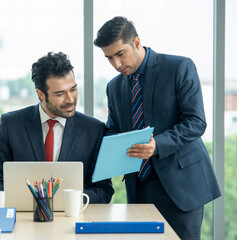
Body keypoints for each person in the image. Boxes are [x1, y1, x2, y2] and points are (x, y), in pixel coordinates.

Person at [94, 16, 221, 239]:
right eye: (109, 58)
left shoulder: (179, 67)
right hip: (139, 187)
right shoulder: (113, 87)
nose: (116, 64)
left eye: (120, 54)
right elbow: (114, 129)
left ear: (136, 42)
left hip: (181, 186)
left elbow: (196, 122)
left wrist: (158, 145)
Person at [0, 51, 114, 204]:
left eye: (73, 89)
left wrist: (68, 200)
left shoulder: (94, 130)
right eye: (60, 94)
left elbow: (104, 191)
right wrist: (35, 200)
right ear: (41, 95)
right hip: (24, 222)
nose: (70, 99)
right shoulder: (11, 125)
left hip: (74, 220)